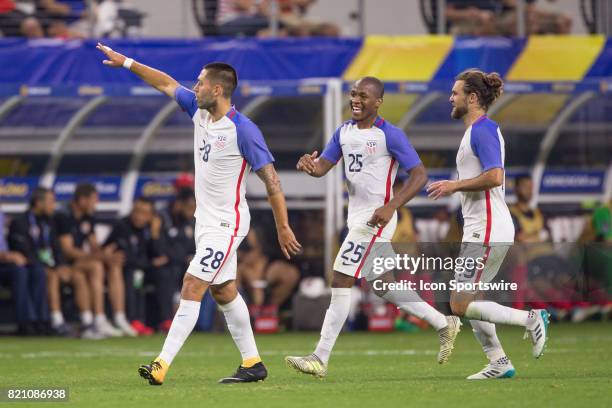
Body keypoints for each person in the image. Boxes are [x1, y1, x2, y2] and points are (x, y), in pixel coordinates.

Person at [96, 42, 302, 385]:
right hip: (205, 223)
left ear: (217, 89)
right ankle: (253, 363)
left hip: (228, 223)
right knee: (223, 290)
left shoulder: (244, 130)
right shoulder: (198, 110)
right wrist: (128, 62)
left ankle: (161, 364)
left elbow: (273, 181)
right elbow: (165, 83)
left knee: (193, 284)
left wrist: (283, 226)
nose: (193, 87)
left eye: (200, 82)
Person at [285, 77, 461, 378]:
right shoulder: (342, 132)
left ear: (378, 101)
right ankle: (443, 323)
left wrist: (391, 206)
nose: (356, 100)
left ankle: (320, 357)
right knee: (382, 284)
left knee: (341, 278)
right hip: (356, 217)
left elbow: (419, 175)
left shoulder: (389, 135)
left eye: (363, 96)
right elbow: (322, 168)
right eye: (354, 94)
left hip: (376, 219)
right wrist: (309, 166)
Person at [427, 69, 550, 380]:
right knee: (471, 299)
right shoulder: (473, 132)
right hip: (482, 227)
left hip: (488, 228)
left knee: (459, 303)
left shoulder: (483, 130)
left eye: (455, 93)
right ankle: (499, 361)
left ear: (472, 98)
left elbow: (495, 176)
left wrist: (455, 186)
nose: (450, 98)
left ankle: (531, 318)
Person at [55, 183, 130, 338]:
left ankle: (119, 317)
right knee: (96, 265)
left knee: (113, 264)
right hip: (64, 264)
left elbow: (94, 245)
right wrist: (101, 257)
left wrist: (106, 254)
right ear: (82, 200)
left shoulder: (88, 217)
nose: (96, 204)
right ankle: (98, 319)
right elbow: (68, 251)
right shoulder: (63, 215)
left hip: (82, 263)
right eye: (94, 200)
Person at [104, 197, 173, 334]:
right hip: (127, 269)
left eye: (144, 213)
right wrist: (150, 263)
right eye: (136, 211)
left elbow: (162, 254)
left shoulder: (154, 227)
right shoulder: (122, 226)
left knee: (164, 274)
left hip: (147, 268)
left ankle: (166, 320)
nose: (139, 216)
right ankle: (134, 320)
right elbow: (125, 258)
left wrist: (155, 234)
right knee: (134, 275)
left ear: (151, 215)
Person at [7, 187, 55, 334]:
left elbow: (54, 248)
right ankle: (27, 322)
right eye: (51, 201)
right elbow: (21, 248)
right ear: (38, 202)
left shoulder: (48, 223)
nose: (54, 205)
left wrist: (57, 265)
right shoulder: (20, 222)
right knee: (26, 271)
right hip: (18, 264)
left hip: (37, 265)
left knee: (40, 271)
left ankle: (43, 321)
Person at [0, 206, 34, 335]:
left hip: (4, 264)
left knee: (24, 270)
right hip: (3, 258)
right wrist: (6, 256)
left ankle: (27, 323)